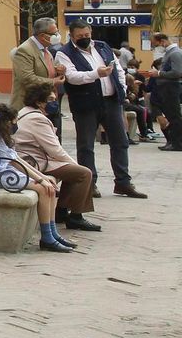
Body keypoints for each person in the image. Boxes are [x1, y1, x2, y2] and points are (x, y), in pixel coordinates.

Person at [0, 102, 75, 252]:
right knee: (44, 189)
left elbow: (15, 158)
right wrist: (40, 180)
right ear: (5, 122)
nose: (15, 125)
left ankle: (53, 233)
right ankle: (47, 237)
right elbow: (14, 162)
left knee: (48, 187)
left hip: (3, 171)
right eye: (14, 122)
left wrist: (43, 176)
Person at [55, 22, 144, 199]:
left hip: (111, 102)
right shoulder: (64, 53)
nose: (84, 38)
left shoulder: (102, 47)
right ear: (72, 36)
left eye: (86, 34)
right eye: (79, 36)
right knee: (86, 145)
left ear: (91, 32)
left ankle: (123, 182)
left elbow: (117, 69)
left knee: (120, 141)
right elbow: (72, 78)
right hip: (85, 104)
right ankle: (90, 184)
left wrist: (122, 88)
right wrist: (97, 73)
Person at [14, 82, 99, 232]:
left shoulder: (25, 112)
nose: (55, 103)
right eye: (51, 100)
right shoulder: (37, 119)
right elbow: (55, 150)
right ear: (39, 102)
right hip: (34, 163)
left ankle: (61, 211)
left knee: (72, 172)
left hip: (30, 159)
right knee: (84, 174)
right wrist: (75, 165)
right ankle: (75, 217)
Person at [10, 18, 66, 137]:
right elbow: (26, 78)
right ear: (42, 35)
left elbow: (43, 70)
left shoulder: (46, 49)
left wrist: (57, 71)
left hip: (47, 104)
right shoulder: (25, 50)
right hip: (29, 106)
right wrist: (53, 81)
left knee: (53, 141)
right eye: (54, 33)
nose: (57, 36)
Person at [142, 33, 182, 151]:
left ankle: (177, 143)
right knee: (171, 115)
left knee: (174, 116)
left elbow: (177, 72)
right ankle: (173, 141)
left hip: (171, 88)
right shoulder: (170, 53)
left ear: (162, 41)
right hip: (166, 88)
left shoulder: (175, 53)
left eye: (155, 43)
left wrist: (158, 73)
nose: (155, 46)